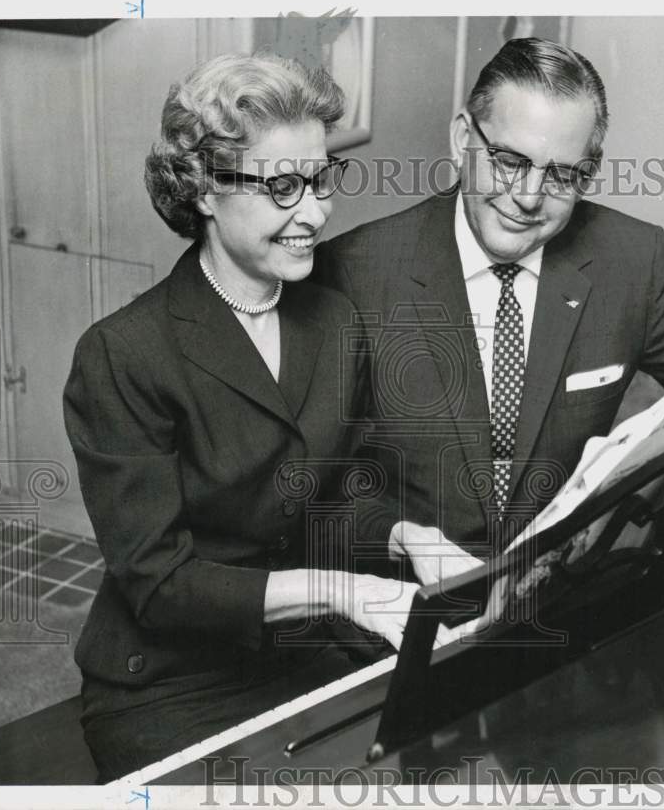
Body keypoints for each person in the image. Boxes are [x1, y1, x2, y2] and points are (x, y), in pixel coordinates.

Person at [313, 37, 664, 564]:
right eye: (510, 162)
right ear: (463, 137)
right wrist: (400, 540)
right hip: (395, 610)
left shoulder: (629, 260)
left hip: (563, 596)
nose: (529, 197)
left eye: (563, 175)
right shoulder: (353, 274)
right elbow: (302, 498)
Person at [62, 53, 439, 781]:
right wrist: (344, 589)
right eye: (284, 187)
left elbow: (342, 496)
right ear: (204, 189)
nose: (317, 212)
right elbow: (160, 583)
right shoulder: (123, 353)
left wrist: (405, 532)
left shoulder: (333, 321)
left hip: (303, 644)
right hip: (169, 679)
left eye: (322, 178)